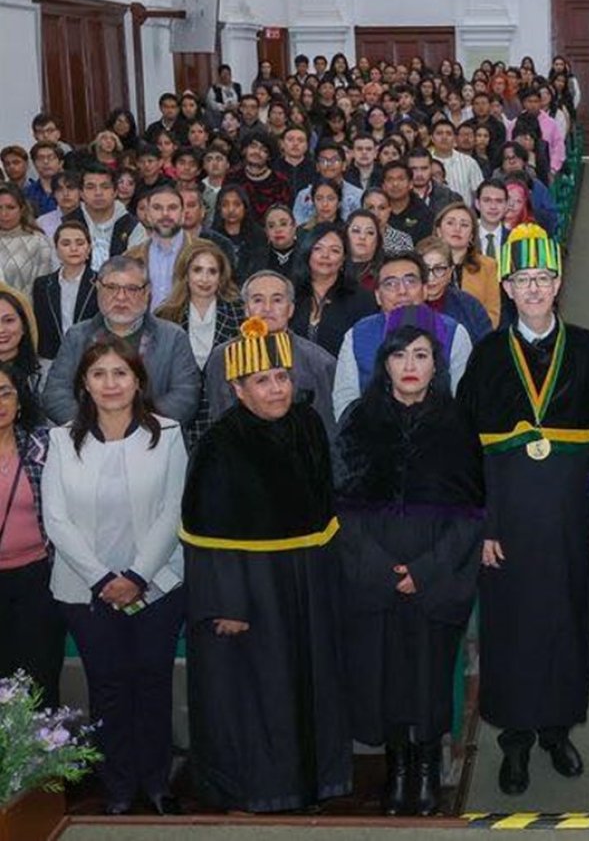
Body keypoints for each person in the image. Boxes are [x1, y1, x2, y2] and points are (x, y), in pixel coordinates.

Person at [456, 224, 589, 796]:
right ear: (506, 285)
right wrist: (483, 524)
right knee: (512, 628)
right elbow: (464, 449)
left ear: (559, 283)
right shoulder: (486, 356)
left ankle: (557, 730)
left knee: (567, 621)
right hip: (509, 519)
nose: (533, 289)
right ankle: (516, 741)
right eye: (522, 279)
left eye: (543, 278)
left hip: (570, 516)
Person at [181, 317, 352, 813]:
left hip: (309, 579)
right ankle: (261, 790)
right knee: (261, 693)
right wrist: (226, 606)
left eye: (281, 376)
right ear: (237, 388)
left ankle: (316, 782)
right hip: (251, 593)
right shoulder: (219, 445)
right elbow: (205, 537)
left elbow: (326, 504)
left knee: (313, 683)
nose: (277, 389)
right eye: (262, 380)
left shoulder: (308, 423)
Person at [334, 316, 484, 816]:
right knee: (384, 674)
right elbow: (341, 508)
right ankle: (397, 766)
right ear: (385, 364)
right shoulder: (359, 418)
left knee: (428, 672)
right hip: (373, 565)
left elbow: (473, 512)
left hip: (436, 567)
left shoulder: (459, 421)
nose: (410, 365)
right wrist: (382, 568)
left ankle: (424, 768)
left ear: (436, 364)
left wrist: (426, 569)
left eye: (421, 355)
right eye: (400, 356)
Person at [43, 337, 188, 816]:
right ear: (84, 383)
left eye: (120, 373)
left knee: (152, 682)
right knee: (107, 686)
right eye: (99, 374)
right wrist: (104, 578)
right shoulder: (62, 440)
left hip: (158, 585)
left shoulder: (167, 433)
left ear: (138, 381)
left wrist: (136, 576)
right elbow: (57, 519)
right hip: (84, 591)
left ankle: (156, 780)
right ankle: (119, 785)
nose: (111, 383)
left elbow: (173, 510)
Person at [43, 255, 200, 425]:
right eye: (111, 287)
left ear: (147, 293)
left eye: (132, 289)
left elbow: (185, 396)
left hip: (154, 438)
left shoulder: (173, 337)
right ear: (98, 288)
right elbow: (55, 394)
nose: (121, 297)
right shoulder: (77, 336)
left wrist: (135, 425)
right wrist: (97, 425)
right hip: (89, 438)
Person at [332, 253, 473, 417]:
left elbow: (463, 401)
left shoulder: (454, 333)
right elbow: (345, 401)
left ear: (425, 289)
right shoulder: (357, 335)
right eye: (390, 284)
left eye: (410, 281)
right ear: (378, 296)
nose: (402, 291)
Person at [205, 270, 337, 441]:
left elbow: (326, 430)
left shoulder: (319, 362)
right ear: (246, 309)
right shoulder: (223, 357)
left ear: (290, 309)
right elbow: (219, 418)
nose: (267, 308)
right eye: (258, 300)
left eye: (277, 300)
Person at [0, 363, 61, 707]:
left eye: (5, 392)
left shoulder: (44, 445)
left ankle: (45, 759)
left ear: (19, 400)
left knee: (40, 681)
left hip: (38, 579)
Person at [154, 242, 245, 446]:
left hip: (227, 418)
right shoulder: (164, 316)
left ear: (221, 277)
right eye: (197, 270)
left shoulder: (240, 313)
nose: (204, 279)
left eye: (212, 271)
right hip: (180, 422)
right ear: (185, 274)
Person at [290, 222, 376, 356]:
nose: (325, 255)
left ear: (343, 259)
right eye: (318, 248)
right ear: (307, 252)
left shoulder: (362, 299)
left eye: (334, 250)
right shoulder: (289, 292)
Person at [435, 202, 501, 329]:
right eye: (450, 223)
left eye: (464, 225)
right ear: (438, 231)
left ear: (471, 236)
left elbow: (493, 314)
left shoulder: (488, 266)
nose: (457, 229)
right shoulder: (423, 263)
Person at [416, 236, 493, 343]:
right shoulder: (404, 305)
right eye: (424, 269)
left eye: (439, 269)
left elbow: (487, 348)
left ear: (450, 272)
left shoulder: (470, 307)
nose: (431, 277)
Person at [0, 183, 54, 295]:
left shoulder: (38, 242)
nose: (4, 214)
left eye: (10, 208)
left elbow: (44, 289)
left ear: (22, 209)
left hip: (25, 309)